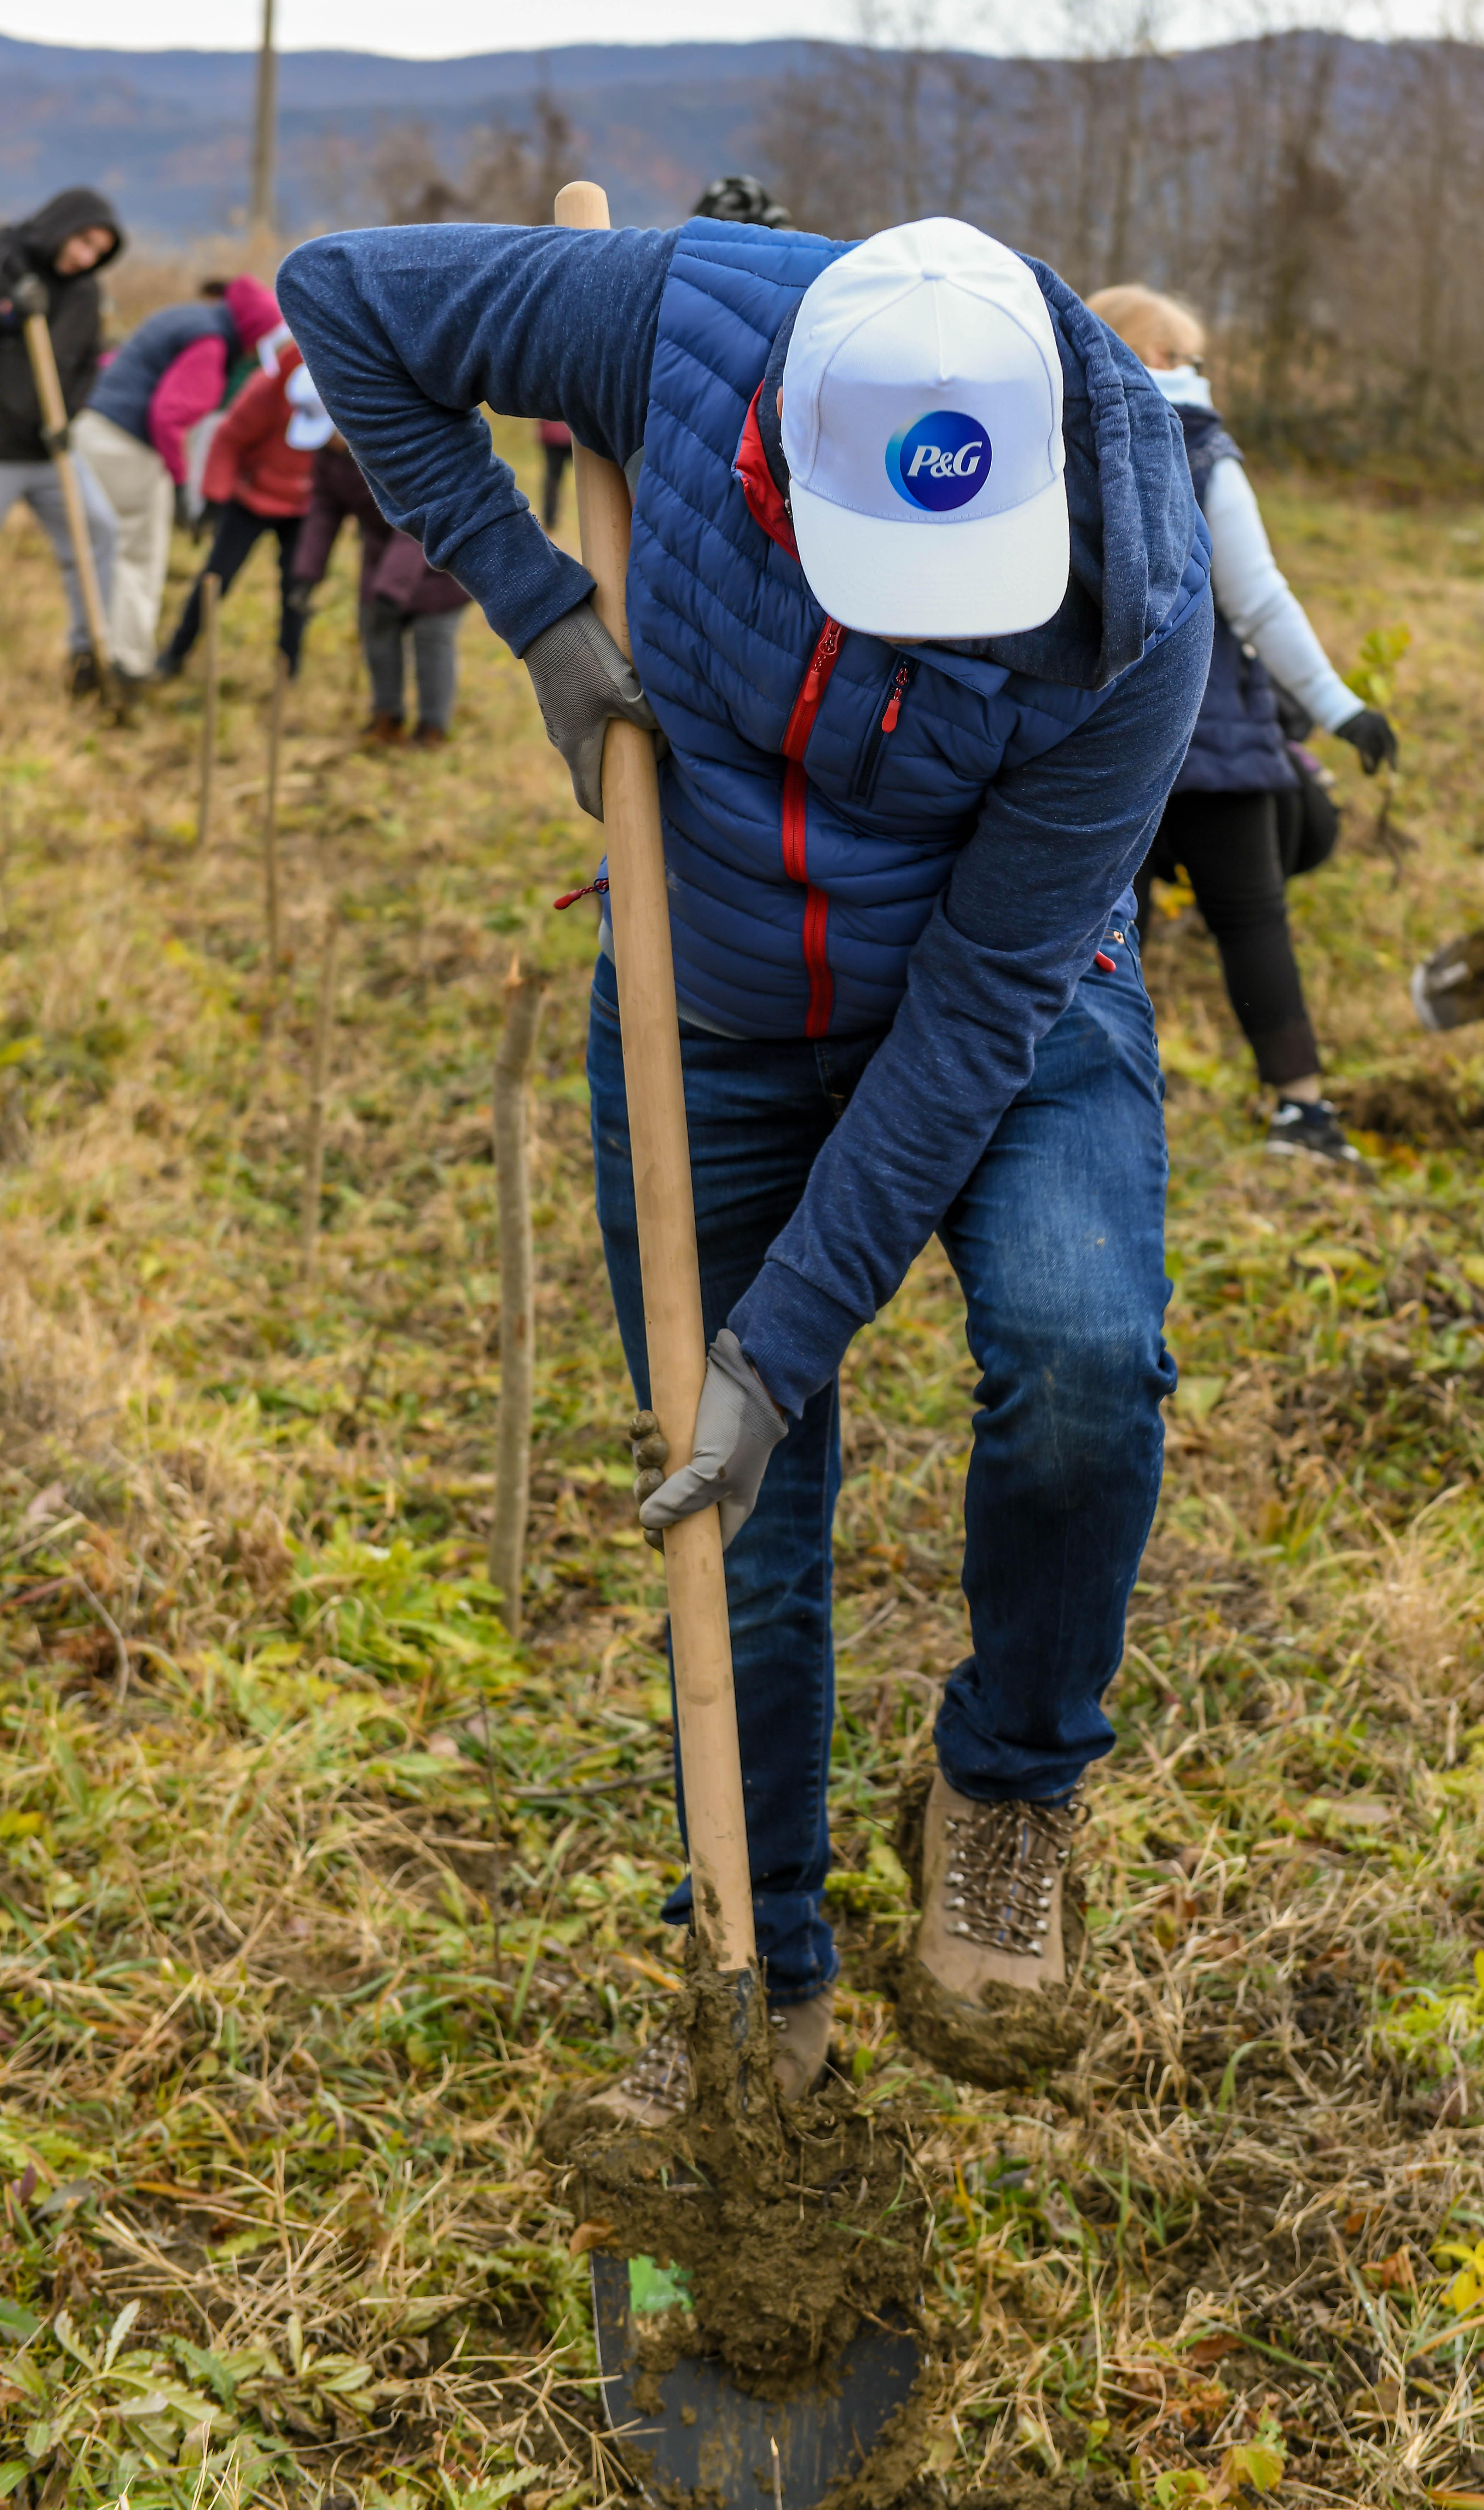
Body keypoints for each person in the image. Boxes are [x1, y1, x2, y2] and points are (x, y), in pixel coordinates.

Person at [279, 205, 1212, 2102]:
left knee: (1082, 1362)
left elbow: (976, 1016)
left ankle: (1006, 1786)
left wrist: (784, 1347)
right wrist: (533, 607)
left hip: (1003, 1006)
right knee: (739, 1516)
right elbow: (344, 304)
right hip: (708, 1007)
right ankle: (763, 1974)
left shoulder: (1142, 600)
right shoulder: (677, 322)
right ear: (776, 439)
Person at [1086, 285, 1397, 1164]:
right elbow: (1256, 598)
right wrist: (1340, 708)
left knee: (1110, 931)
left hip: (1097, 741)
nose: (1197, 374)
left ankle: (1106, 1103)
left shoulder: (1059, 445)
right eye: (1180, 355)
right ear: (1138, 357)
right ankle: (1301, 1111)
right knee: (1252, 921)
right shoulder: (1201, 452)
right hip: (1210, 732)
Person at [73, 273, 282, 686]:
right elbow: (169, 418)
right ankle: (127, 664)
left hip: (94, 433)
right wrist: (180, 482)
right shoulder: (211, 344)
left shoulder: (186, 317)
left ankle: (89, 652)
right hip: (128, 449)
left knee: (102, 552)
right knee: (139, 557)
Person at [0, 188, 124, 693]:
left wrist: (68, 420)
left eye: (97, 252)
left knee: (99, 531)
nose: (85, 257)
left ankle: (90, 656)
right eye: (82, 242)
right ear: (63, 224)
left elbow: (86, 363)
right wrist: (4, 314)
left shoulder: (86, 292)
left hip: (50, 449)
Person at [290, 374, 470, 746]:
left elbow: (420, 516)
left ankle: (432, 728)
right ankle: (386, 718)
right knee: (377, 629)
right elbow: (324, 510)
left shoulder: (401, 441)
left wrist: (391, 586)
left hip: (438, 553)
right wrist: (307, 572)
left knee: (431, 637)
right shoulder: (330, 456)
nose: (326, 443)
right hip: (381, 555)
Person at [158, 330, 314, 679]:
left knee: (297, 587)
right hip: (251, 498)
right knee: (216, 578)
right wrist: (215, 497)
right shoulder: (266, 389)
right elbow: (228, 439)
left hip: (304, 505)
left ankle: (289, 668)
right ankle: (175, 654)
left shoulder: (351, 391)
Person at [538, 419, 573, 530]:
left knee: (553, 479)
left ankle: (549, 519)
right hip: (573, 434)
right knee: (589, 480)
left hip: (553, 434)